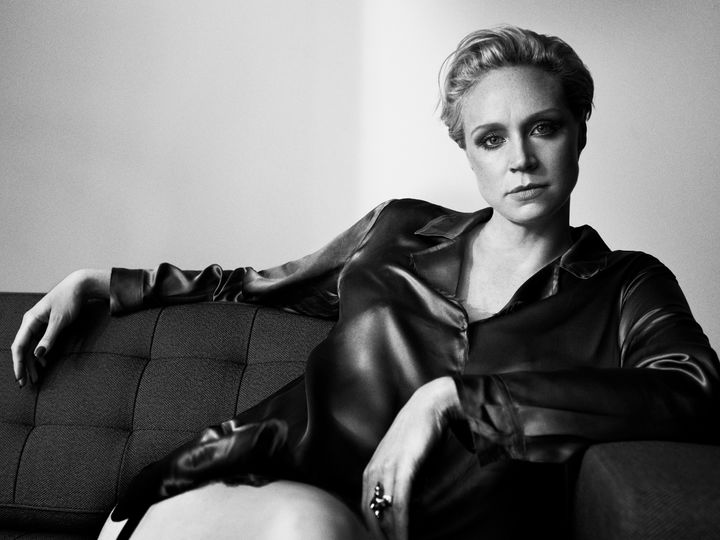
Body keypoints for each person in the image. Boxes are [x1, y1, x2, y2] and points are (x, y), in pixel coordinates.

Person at [11, 25, 720, 540]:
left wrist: (453, 400)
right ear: (468, 153)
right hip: (246, 497)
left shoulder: (626, 286)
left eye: (544, 128)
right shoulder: (396, 234)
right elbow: (255, 284)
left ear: (580, 133)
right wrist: (104, 283)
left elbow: (694, 395)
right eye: (492, 138)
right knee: (313, 530)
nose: (521, 160)